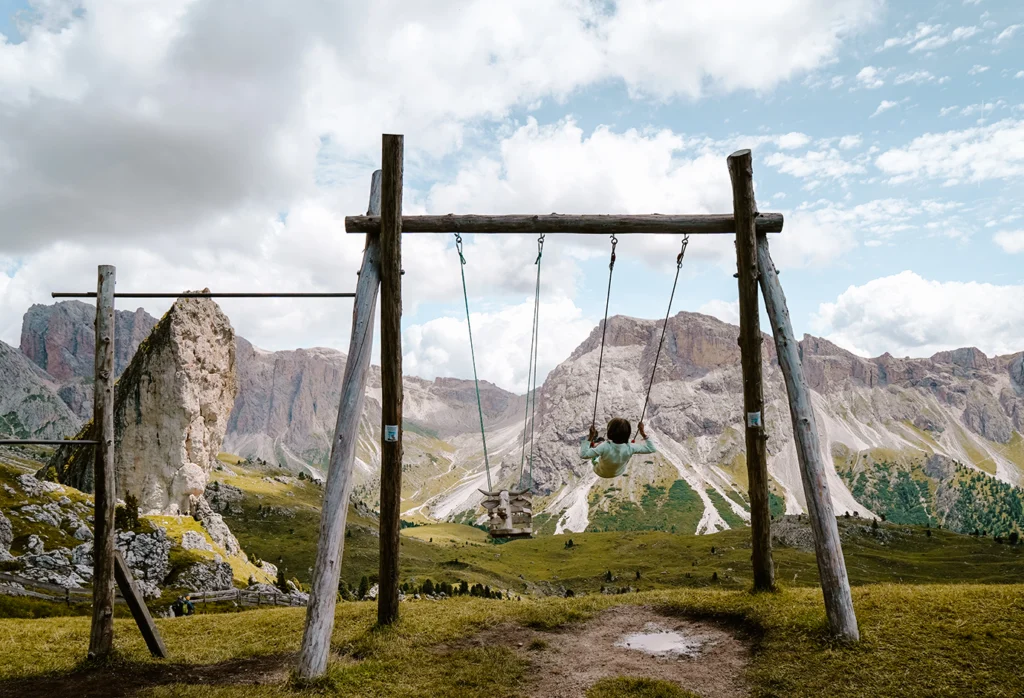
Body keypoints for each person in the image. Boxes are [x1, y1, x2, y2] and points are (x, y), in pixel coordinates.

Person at [580, 418, 655, 478]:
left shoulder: (605, 446)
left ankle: (595, 443)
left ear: (610, 432)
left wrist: (590, 437)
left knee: (599, 446)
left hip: (600, 471)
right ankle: (598, 442)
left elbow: (584, 455)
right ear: (628, 433)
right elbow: (651, 448)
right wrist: (642, 433)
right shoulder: (631, 447)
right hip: (618, 472)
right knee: (602, 444)